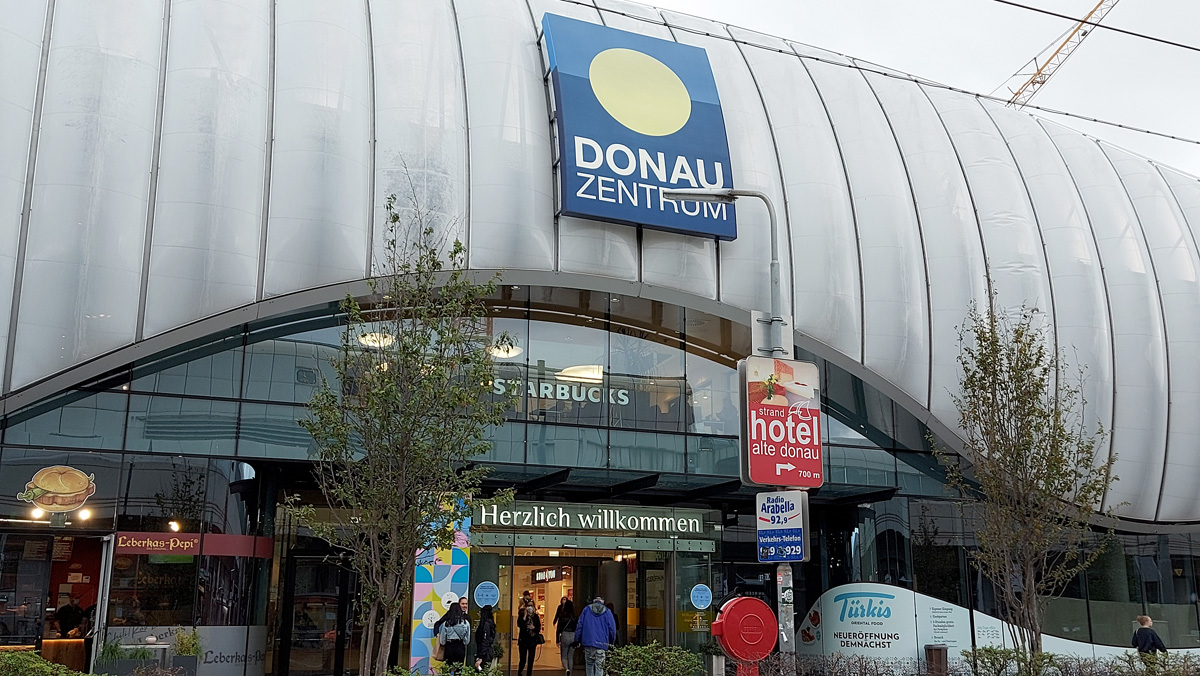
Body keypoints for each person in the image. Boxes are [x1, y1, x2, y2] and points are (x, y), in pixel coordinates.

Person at [573, 596, 616, 676]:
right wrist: (611, 643)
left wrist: (577, 640)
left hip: (588, 643)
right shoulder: (607, 612)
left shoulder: (586, 610)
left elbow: (579, 626)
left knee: (589, 665)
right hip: (602, 644)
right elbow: (612, 629)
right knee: (600, 667)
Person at [437, 597, 472, 671]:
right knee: (459, 669)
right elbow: (467, 641)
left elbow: (442, 641)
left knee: (448, 669)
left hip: (449, 647)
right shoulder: (466, 623)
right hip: (460, 647)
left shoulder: (446, 623)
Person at [516, 603, 542, 676]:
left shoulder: (535, 616)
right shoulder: (522, 615)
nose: (530, 608)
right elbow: (519, 624)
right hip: (523, 640)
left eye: (531, 606)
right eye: (528, 606)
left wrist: (534, 627)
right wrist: (524, 616)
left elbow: (538, 628)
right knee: (523, 659)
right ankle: (520, 672)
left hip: (532, 641)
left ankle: (529, 674)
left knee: (531, 659)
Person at [554, 598, 577, 673]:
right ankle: (570, 671)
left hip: (565, 634)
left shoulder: (562, 617)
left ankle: (566, 669)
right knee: (570, 656)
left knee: (564, 655)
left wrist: (557, 640)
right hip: (573, 635)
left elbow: (559, 629)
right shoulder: (575, 617)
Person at [474, 605, 497, 672]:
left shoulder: (486, 624)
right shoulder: (490, 623)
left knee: (481, 671)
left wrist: (480, 657)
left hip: (484, 653)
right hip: (486, 652)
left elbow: (485, 640)